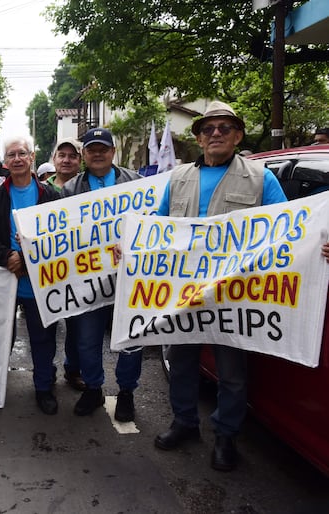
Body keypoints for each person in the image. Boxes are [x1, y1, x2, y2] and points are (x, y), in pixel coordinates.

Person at [153, 101, 288, 471]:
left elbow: (288, 230)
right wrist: (131, 242)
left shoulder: (261, 179)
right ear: (198, 137)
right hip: (184, 291)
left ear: (237, 135)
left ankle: (226, 436)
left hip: (234, 294)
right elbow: (158, 225)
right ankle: (184, 423)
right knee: (180, 362)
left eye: (224, 128)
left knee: (231, 371)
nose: (215, 134)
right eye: (208, 129)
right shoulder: (178, 178)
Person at [60, 128, 144, 422]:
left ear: (113, 151)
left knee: (130, 339)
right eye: (92, 149)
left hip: (128, 279)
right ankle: (93, 388)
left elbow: (152, 223)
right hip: (88, 281)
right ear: (84, 154)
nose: (98, 154)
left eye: (103, 149)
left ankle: (126, 393)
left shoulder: (137, 183)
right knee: (87, 339)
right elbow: (60, 233)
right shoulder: (71, 189)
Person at [0, 135, 61, 415]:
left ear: (32, 156)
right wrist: (7, 255)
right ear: (5, 161)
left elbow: (60, 238)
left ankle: (43, 389)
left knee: (43, 339)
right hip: (4, 280)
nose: (16, 159)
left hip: (40, 283)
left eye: (21, 154)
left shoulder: (51, 195)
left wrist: (25, 258)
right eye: (11, 155)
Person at [45, 138, 87, 392]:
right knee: (46, 325)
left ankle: (73, 370)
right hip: (48, 270)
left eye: (73, 156)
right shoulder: (40, 189)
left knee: (77, 326)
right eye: (62, 155)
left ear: (79, 161)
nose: (67, 160)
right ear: (54, 159)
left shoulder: (88, 189)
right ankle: (45, 369)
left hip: (79, 269)